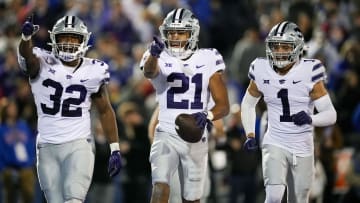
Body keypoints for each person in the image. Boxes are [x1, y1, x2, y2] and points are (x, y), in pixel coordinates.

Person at [17, 15, 122, 203]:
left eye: (73, 38)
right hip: (47, 145)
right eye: (64, 37)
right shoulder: (41, 61)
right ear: (54, 40)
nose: (68, 43)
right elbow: (27, 57)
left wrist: (115, 148)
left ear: (83, 41)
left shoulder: (94, 70)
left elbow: (105, 110)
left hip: (79, 143)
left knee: (73, 199)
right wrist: (25, 38)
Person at [240, 21, 337, 203]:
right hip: (274, 140)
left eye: (286, 46)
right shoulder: (261, 69)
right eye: (275, 46)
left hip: (302, 145)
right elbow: (247, 104)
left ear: (297, 48)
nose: (280, 51)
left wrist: (310, 119)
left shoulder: (309, 71)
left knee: (299, 199)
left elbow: (331, 115)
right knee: (274, 197)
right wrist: (250, 134)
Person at [140, 8, 229, 203]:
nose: (174, 36)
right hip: (166, 133)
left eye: (180, 32)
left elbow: (223, 105)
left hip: (196, 136)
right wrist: (154, 56)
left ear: (192, 34)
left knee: (192, 198)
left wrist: (208, 116)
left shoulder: (208, 58)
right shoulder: (159, 56)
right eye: (171, 32)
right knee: (160, 186)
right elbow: (149, 72)